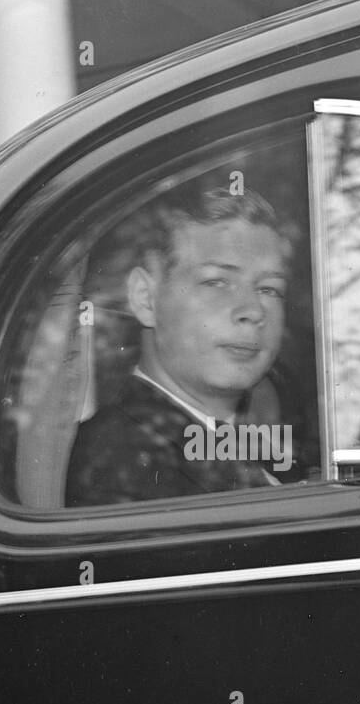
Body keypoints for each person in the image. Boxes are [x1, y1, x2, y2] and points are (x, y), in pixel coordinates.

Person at [65, 179, 302, 506]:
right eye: (217, 281)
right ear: (146, 299)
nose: (252, 310)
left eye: (269, 289)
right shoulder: (116, 460)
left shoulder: (275, 446)